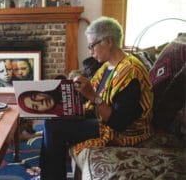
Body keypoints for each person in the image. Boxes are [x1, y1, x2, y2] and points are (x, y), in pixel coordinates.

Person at [40, 16, 153, 179]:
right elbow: (90, 92)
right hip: (100, 119)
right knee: (52, 119)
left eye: (92, 45)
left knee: (53, 127)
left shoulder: (131, 72)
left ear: (108, 41)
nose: (90, 51)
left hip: (123, 131)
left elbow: (119, 123)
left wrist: (93, 96)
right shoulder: (108, 66)